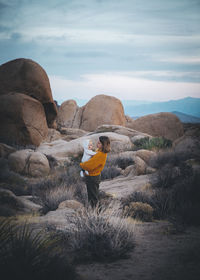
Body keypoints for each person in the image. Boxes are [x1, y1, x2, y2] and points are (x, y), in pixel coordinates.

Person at [80, 136, 110, 207]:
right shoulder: (99, 151)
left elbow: (90, 165)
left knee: (93, 197)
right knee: (92, 195)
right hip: (93, 176)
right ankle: (95, 212)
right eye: (98, 142)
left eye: (99, 143)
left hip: (93, 177)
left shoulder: (100, 154)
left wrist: (81, 164)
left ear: (103, 145)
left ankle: (97, 213)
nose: (97, 143)